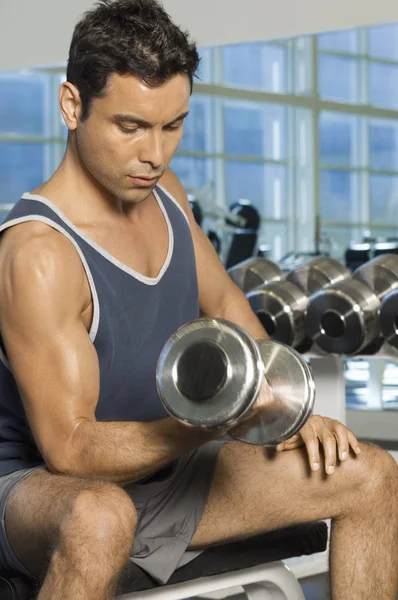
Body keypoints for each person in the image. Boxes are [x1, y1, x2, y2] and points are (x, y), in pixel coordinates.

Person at [0, 1, 396, 598]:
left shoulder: (165, 195)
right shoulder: (39, 256)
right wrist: (212, 419)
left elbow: (226, 301)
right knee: (101, 517)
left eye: (173, 125)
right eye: (130, 127)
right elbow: (71, 448)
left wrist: (284, 409)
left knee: (371, 473)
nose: (155, 155)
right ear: (72, 105)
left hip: (170, 472)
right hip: (40, 490)